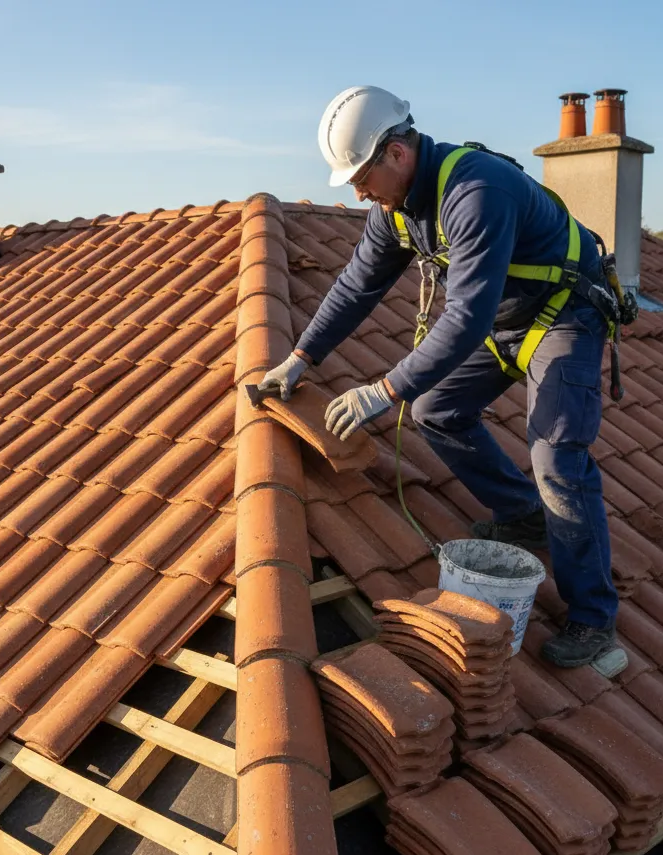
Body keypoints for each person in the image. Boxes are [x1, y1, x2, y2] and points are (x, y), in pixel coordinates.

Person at [258, 86, 620, 668]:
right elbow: (357, 286)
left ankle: (594, 619)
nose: (358, 193)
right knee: (435, 411)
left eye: (360, 177)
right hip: (504, 322)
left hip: (564, 315)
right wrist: (301, 357)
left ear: (397, 154)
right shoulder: (394, 210)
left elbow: (465, 316)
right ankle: (524, 517)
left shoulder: (474, 190)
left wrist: (383, 390)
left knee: (557, 457)